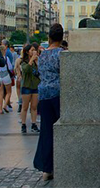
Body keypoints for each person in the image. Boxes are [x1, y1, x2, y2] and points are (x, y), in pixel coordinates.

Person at [34, 23, 65, 181]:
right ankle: (63, 164)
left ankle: (47, 169)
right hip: (58, 95)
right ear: (62, 38)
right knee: (63, 130)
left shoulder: (43, 55)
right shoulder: (62, 54)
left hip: (43, 96)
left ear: (49, 37)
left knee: (46, 131)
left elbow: (39, 73)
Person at [20, 44, 41, 134]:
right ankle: (23, 124)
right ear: (27, 52)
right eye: (32, 50)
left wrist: (36, 61)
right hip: (27, 86)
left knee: (34, 106)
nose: (33, 52)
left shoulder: (36, 61)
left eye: (34, 50)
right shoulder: (23, 61)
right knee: (25, 107)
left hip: (35, 86)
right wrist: (31, 60)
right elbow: (26, 70)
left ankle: (34, 123)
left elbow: (41, 71)